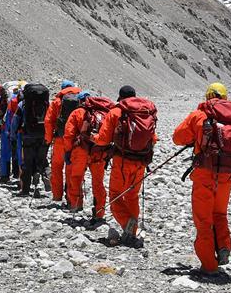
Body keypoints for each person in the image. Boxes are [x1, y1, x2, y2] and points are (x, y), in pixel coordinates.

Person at [172, 82, 231, 274]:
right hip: (227, 173)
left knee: (203, 219)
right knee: (220, 214)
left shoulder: (200, 114)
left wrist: (197, 138)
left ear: (208, 96)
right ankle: (224, 247)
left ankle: (209, 264)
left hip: (205, 174)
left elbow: (178, 138)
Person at [93, 85, 157, 246]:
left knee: (115, 195)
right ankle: (132, 231)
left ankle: (127, 223)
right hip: (141, 162)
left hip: (122, 161)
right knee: (132, 196)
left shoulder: (117, 111)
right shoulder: (145, 112)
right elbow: (153, 138)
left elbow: (103, 139)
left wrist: (93, 138)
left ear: (120, 97)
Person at [64, 93, 114, 222]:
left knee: (76, 177)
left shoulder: (78, 112)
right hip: (99, 152)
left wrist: (68, 151)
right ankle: (99, 211)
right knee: (98, 182)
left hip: (81, 150)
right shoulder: (107, 113)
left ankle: (76, 204)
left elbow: (69, 134)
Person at [44, 80, 81, 204]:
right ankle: (72, 199)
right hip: (75, 141)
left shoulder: (57, 101)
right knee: (71, 169)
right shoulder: (81, 100)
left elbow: (49, 121)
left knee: (57, 167)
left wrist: (48, 139)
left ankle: (57, 195)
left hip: (60, 139)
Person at [12, 83, 50, 197]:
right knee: (43, 160)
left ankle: (25, 190)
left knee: (27, 163)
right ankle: (47, 177)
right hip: (44, 136)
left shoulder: (22, 104)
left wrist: (13, 136)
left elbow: (15, 121)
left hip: (28, 136)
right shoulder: (47, 104)